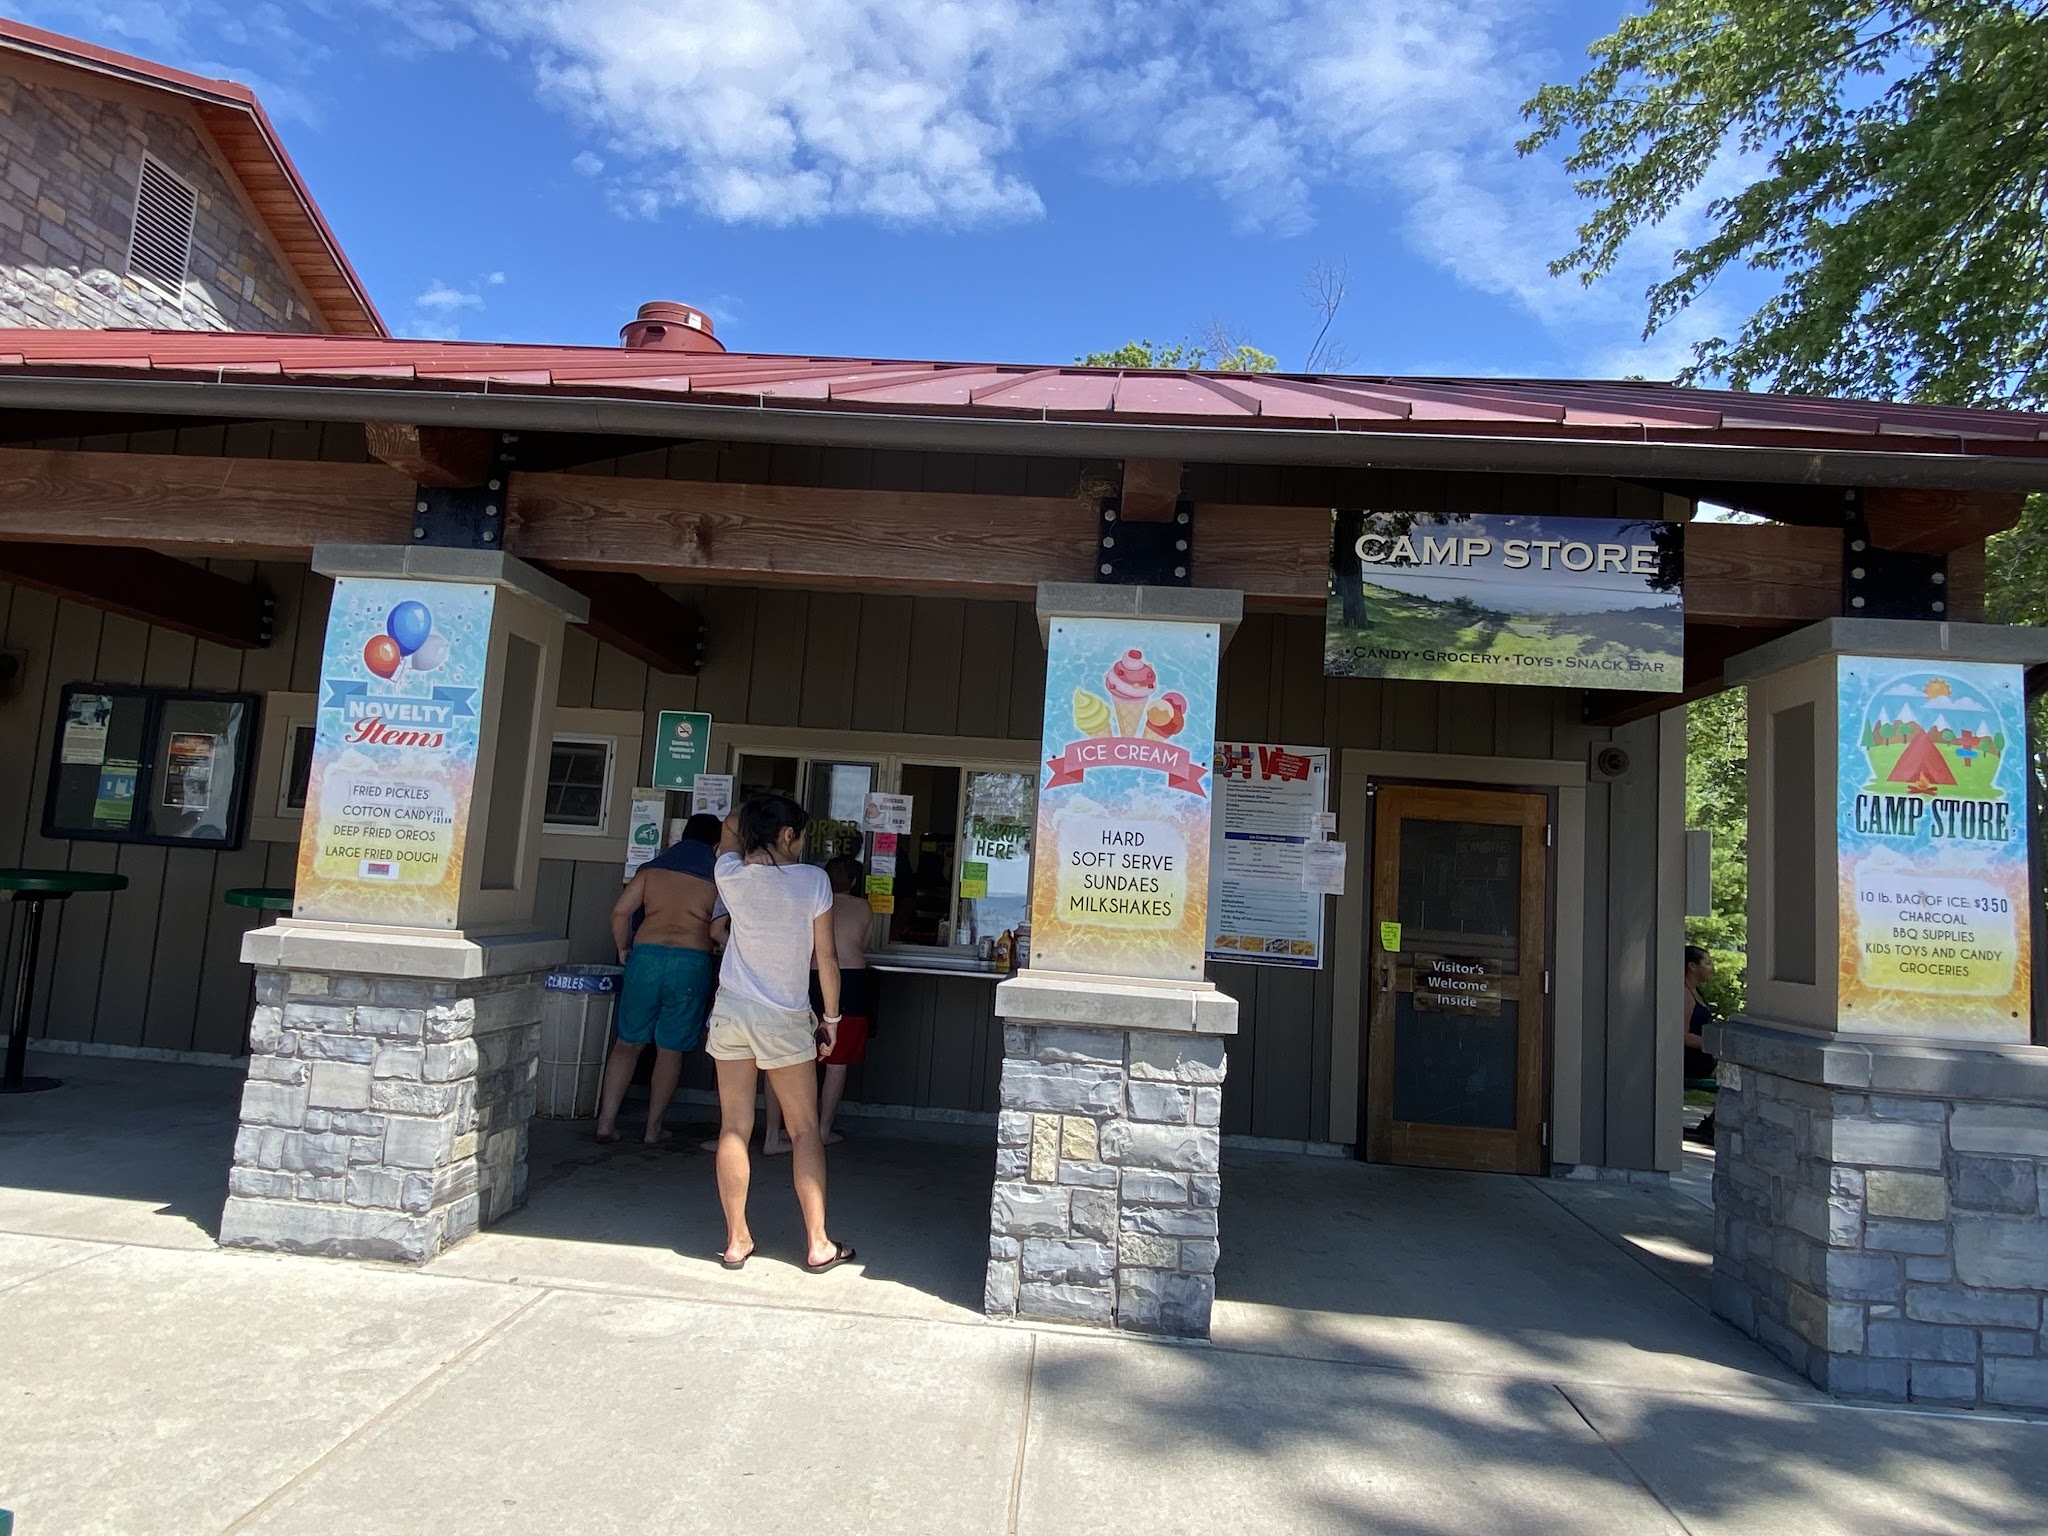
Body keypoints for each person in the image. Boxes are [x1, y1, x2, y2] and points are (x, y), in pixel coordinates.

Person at [706, 794, 855, 1273]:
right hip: (785, 1016)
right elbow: (826, 959)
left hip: (731, 1011)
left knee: (733, 1126)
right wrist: (830, 1020)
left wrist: (749, 821)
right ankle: (817, 1243)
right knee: (805, 1129)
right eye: (800, 834)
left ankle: (736, 1241)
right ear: (788, 835)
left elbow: (729, 826)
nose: (803, 843)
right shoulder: (813, 881)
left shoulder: (728, 874)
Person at [595, 814, 726, 1145]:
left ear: (683, 835)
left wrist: (624, 947)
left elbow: (620, 912)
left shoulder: (652, 869)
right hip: (690, 961)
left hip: (646, 958)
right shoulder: (717, 875)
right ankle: (653, 1128)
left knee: (627, 1043)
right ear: (716, 842)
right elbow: (720, 928)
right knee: (670, 1050)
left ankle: (606, 1122)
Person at [764, 855, 872, 1153]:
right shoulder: (862, 906)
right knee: (837, 1062)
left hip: (806, 976)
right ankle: (822, 1129)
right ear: (853, 881)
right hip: (850, 981)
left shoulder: (809, 896)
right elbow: (863, 943)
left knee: (787, 1059)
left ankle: (777, 1130)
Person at [1683, 943, 1718, 1144]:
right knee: (1733, 1074)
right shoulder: (1685, 994)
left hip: (1703, 1055)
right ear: (1692, 966)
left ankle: (1711, 1124)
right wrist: (1713, 1044)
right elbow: (1682, 1035)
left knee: (1734, 1071)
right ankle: (1711, 1127)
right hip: (1690, 1057)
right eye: (1707, 963)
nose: (1711, 968)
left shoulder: (1696, 992)